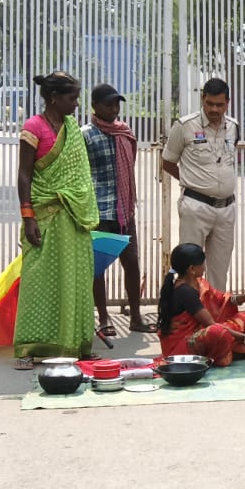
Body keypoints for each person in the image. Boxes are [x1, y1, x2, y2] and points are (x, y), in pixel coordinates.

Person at [13, 71, 100, 366]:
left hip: (74, 217)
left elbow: (80, 176)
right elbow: (24, 174)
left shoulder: (72, 128)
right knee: (38, 281)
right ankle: (29, 348)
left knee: (76, 279)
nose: (76, 104)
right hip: (44, 216)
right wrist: (28, 216)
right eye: (72, 98)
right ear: (54, 97)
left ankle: (77, 344)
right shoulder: (33, 127)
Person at [162, 77, 239, 293]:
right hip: (196, 207)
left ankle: (214, 310)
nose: (214, 109)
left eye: (220, 105)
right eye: (210, 103)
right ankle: (189, 310)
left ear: (228, 103)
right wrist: (190, 180)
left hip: (226, 209)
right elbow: (167, 162)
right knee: (190, 268)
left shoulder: (233, 127)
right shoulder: (185, 126)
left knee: (220, 270)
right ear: (202, 99)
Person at [82, 83, 146, 338]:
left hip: (123, 210)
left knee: (131, 263)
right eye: (108, 104)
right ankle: (104, 318)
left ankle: (136, 316)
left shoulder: (125, 133)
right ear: (95, 106)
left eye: (116, 104)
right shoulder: (85, 135)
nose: (114, 109)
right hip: (99, 212)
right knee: (98, 268)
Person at [157, 242, 245, 366]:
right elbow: (211, 324)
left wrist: (242, 298)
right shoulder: (185, 291)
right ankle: (223, 354)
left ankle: (227, 350)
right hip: (181, 346)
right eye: (202, 264)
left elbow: (220, 300)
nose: (204, 266)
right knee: (218, 332)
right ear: (192, 269)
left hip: (200, 332)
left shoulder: (199, 283)